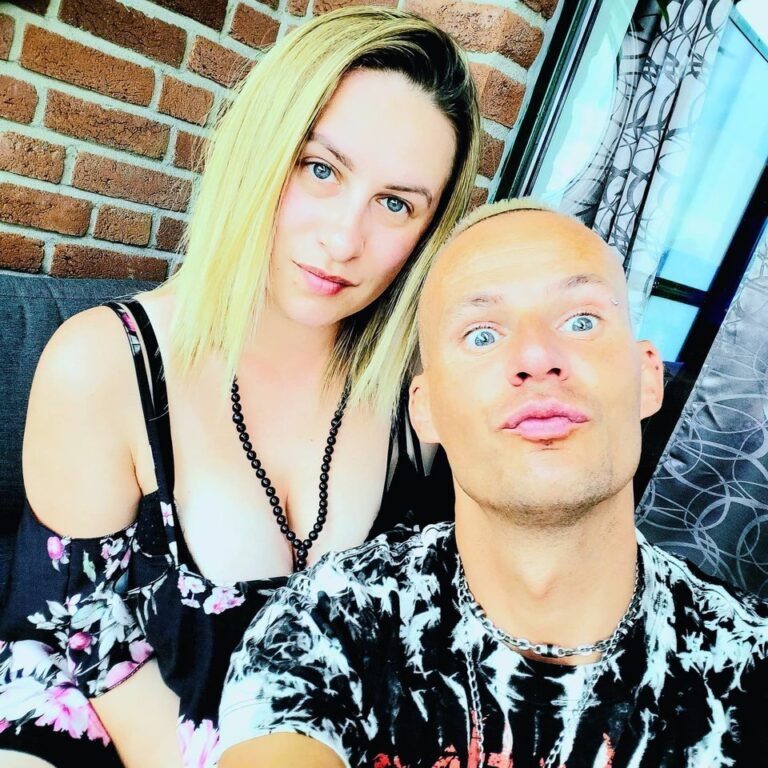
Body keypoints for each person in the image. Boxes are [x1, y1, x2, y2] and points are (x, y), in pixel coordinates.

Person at [0, 7, 480, 767]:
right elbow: (95, 649)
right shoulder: (103, 364)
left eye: (395, 204)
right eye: (320, 169)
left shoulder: (416, 408)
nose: (343, 239)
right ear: (260, 154)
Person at [217, 200, 768, 768]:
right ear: (426, 410)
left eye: (581, 322)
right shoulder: (332, 622)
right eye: (481, 335)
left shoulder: (748, 658)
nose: (536, 356)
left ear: (648, 376)